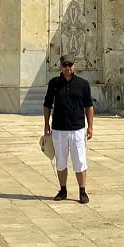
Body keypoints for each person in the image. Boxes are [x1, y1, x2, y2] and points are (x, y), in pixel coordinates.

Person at [43, 54, 94, 204]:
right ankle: (63, 189)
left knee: (80, 161)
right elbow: (47, 104)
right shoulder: (54, 83)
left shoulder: (83, 84)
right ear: (61, 67)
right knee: (61, 161)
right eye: (65, 65)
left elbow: (89, 106)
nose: (67, 68)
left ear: (74, 66)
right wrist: (46, 124)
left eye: (70, 65)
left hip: (77, 128)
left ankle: (82, 191)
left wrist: (90, 126)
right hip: (59, 129)